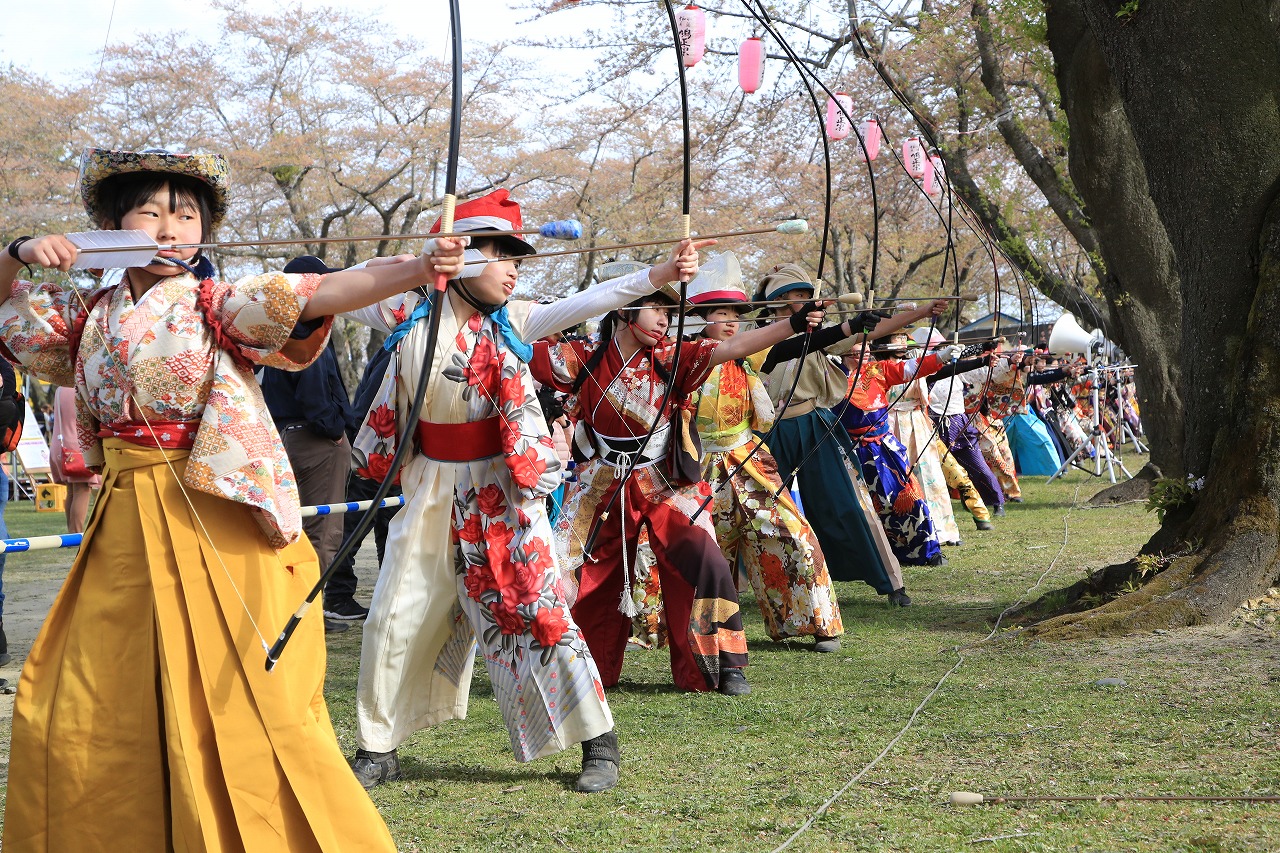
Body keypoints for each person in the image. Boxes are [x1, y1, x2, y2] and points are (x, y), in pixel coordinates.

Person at [0, 146, 465, 850]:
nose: (169, 229)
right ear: (110, 224)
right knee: (89, 692)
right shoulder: (87, 313)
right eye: (149, 212)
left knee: (242, 694)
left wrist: (415, 268)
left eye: (186, 216)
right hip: (123, 520)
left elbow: (320, 291)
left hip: (213, 511)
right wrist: (20, 248)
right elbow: (5, 301)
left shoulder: (214, 301)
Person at [342, 190, 699, 794]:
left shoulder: (518, 321)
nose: (511, 268)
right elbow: (345, 287)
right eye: (498, 253)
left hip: (501, 490)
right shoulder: (405, 311)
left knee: (538, 610)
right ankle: (377, 746)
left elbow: (591, 299)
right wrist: (417, 263)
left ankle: (597, 740)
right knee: (393, 614)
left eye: (517, 258)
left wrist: (657, 275)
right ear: (460, 256)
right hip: (430, 487)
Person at [532, 260, 827, 699]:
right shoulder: (580, 357)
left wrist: (792, 324)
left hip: (667, 481)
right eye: (652, 308)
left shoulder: (672, 356)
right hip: (600, 482)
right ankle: (579, 668)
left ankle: (722, 663)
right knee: (573, 573)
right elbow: (521, 338)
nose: (663, 319)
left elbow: (735, 346)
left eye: (668, 311)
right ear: (622, 310)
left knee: (704, 559)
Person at [752, 263, 947, 603]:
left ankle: (890, 582)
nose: (809, 300)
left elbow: (866, 334)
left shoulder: (818, 335)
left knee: (846, 503)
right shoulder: (758, 338)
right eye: (800, 295)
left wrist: (924, 312)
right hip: (770, 431)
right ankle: (760, 585)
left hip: (814, 424)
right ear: (779, 300)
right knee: (762, 508)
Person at [685, 252, 843, 651]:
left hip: (748, 458)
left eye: (736, 313)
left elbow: (796, 343)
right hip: (695, 465)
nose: (732, 320)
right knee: (697, 550)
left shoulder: (747, 349)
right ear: (699, 318)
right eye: (721, 312)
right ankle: (682, 629)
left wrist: (839, 325)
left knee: (792, 531)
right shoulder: (680, 358)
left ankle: (809, 622)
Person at [261, 255, 362, 631]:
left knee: (289, 529)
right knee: (323, 531)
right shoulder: (309, 331)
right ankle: (305, 617)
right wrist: (337, 430)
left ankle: (288, 610)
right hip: (315, 440)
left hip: (285, 437)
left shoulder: (274, 329)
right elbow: (317, 394)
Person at [835, 333, 962, 566]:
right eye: (856, 350)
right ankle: (873, 556)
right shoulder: (830, 376)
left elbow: (909, 368)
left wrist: (940, 357)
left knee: (908, 497)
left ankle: (927, 550)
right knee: (862, 506)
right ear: (843, 352)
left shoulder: (878, 370)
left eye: (865, 349)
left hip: (884, 446)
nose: (863, 354)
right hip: (849, 450)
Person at [48, 385, 101, 534]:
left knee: (72, 491)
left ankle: (71, 534)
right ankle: (76, 534)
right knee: (82, 490)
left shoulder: (60, 389)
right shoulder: (79, 388)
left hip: (61, 445)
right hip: (77, 445)